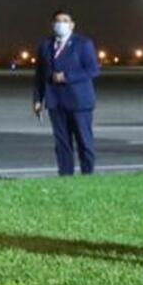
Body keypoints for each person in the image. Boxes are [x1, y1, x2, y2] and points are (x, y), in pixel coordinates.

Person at [32, 10, 101, 176]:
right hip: (55, 102)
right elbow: (40, 74)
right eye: (57, 20)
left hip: (79, 102)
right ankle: (65, 176)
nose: (60, 23)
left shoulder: (83, 44)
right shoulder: (45, 45)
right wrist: (37, 99)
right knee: (62, 143)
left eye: (65, 20)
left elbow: (93, 70)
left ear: (72, 25)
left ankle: (88, 175)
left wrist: (67, 77)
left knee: (84, 141)